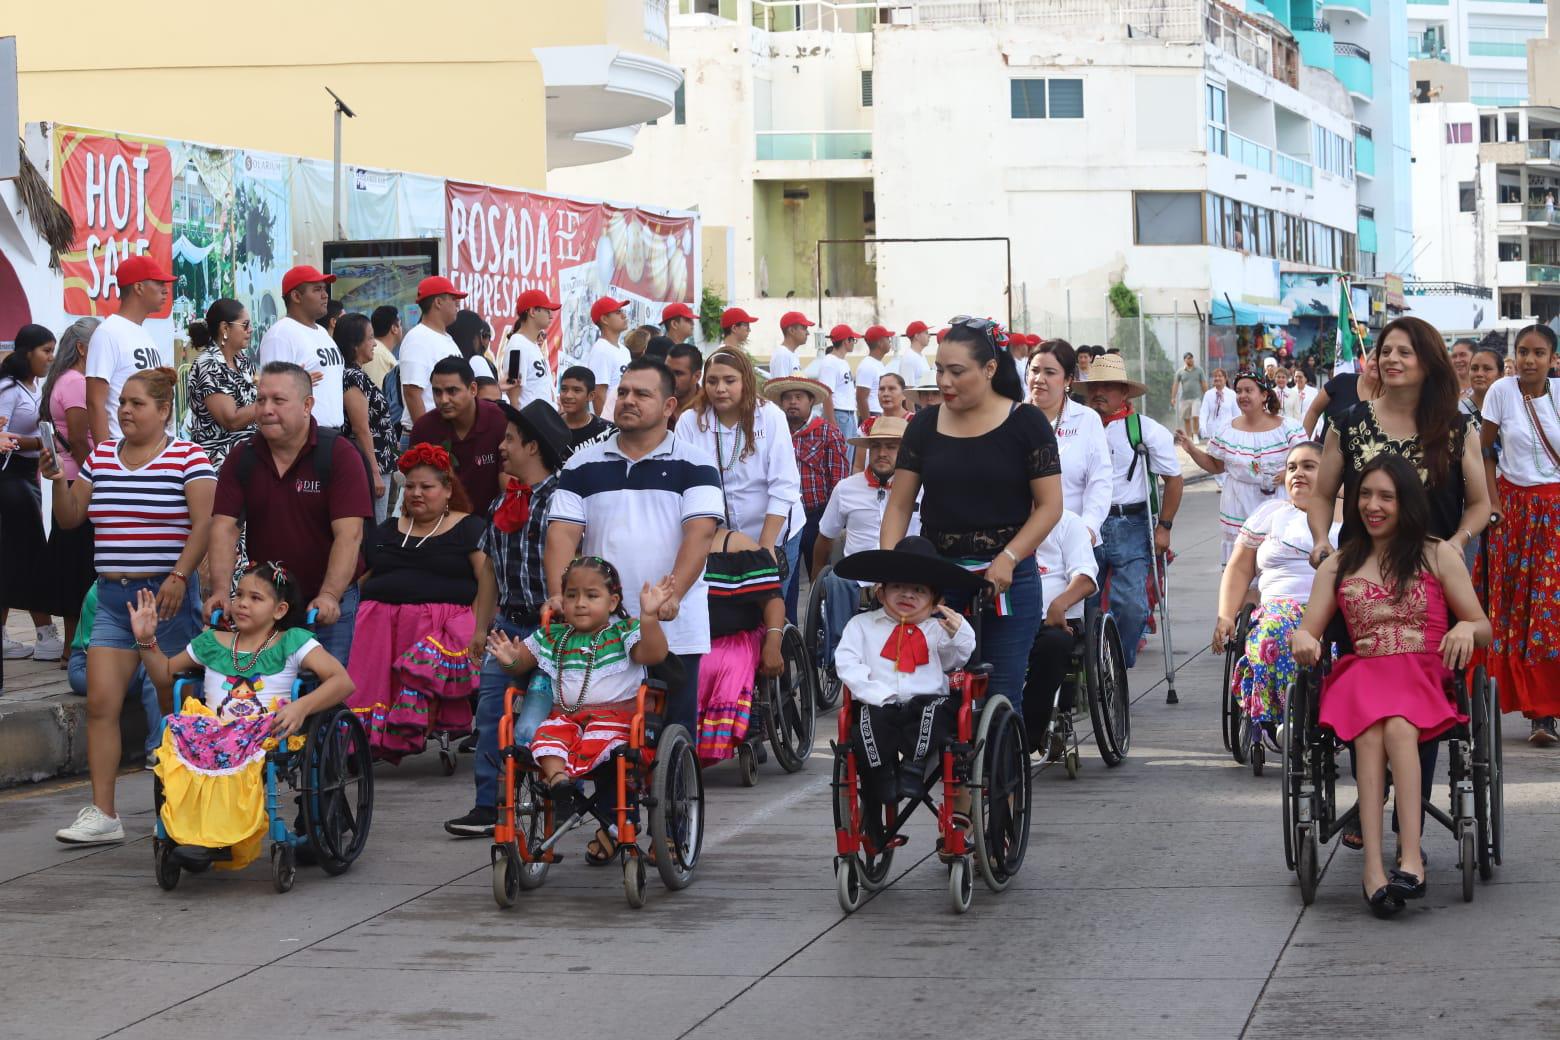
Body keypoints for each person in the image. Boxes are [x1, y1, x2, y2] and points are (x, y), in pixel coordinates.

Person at [1307, 316, 1489, 852]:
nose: (1391, 360)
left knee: (1423, 685)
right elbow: (1323, 493)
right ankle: (1373, 794)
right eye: (1385, 351)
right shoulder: (1349, 422)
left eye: (1404, 352)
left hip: (1433, 574)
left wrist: (1456, 541)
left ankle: (1404, 815)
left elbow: (1480, 503)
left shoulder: (1455, 427)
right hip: (1362, 573)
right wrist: (1322, 541)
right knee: (1367, 679)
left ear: (1426, 361)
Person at [1291, 455, 1490, 916]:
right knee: (1371, 729)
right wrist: (1302, 636)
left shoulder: (1436, 553)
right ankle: (1374, 870)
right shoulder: (1338, 565)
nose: (1372, 506)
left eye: (1386, 496)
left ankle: (1411, 857)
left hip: (1423, 670)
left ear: (1406, 502)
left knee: (1397, 727)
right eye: (1364, 495)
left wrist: (1465, 629)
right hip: (1365, 671)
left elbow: (1482, 624)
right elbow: (1309, 629)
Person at [46, 367, 212, 845]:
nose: (125, 411)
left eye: (137, 404)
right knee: (101, 704)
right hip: (113, 599)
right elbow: (72, 517)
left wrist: (180, 577)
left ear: (164, 411)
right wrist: (59, 479)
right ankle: (104, 813)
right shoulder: (100, 458)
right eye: (123, 403)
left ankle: (184, 807)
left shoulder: (188, 457)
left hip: (165, 596)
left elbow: (204, 525)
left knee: (172, 702)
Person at [881, 318, 1063, 710]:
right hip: (937, 583)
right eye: (940, 370)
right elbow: (899, 504)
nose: (944, 382)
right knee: (928, 692)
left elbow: (1050, 506)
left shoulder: (1027, 423)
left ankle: (1001, 768)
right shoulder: (924, 425)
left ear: (990, 369)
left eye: (956, 372)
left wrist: (1009, 558)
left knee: (1000, 694)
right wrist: (891, 571)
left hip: (1006, 582)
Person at [131, 563, 353, 870]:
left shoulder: (293, 641)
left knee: (226, 748)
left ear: (279, 609)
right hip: (213, 729)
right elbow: (165, 676)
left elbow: (342, 682)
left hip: (265, 729)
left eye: (256, 598)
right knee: (180, 734)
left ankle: (214, 840)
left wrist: (301, 706)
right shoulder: (211, 641)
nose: (242, 603)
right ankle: (192, 836)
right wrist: (146, 640)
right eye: (238, 595)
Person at [545, 358, 723, 737]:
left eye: (642, 394)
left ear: (669, 406)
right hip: (601, 631)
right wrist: (558, 596)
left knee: (674, 736)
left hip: (675, 626)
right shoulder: (581, 464)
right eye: (623, 392)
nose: (628, 400)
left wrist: (672, 594)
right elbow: (561, 534)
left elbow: (700, 535)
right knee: (605, 737)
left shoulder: (696, 463)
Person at [445, 400, 573, 837]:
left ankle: (554, 795)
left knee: (546, 717)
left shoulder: (564, 502)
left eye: (510, 440)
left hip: (553, 633)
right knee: (489, 714)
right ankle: (489, 805)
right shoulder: (505, 499)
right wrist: (481, 628)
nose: (501, 447)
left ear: (533, 446)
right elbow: (490, 573)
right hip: (508, 626)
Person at [207, 362, 374, 667]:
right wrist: (220, 590)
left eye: (278, 401)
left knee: (324, 693)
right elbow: (224, 528)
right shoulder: (242, 458)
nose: (266, 409)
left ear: (307, 405)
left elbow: (349, 535)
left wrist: (329, 595)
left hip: (324, 603)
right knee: (265, 694)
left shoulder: (338, 455)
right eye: (260, 400)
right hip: (267, 602)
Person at [488, 557, 673, 815]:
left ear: (612, 602)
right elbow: (521, 664)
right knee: (545, 737)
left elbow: (652, 655)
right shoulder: (551, 636)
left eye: (592, 596)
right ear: (562, 601)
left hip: (616, 721)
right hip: (565, 719)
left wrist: (649, 617)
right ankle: (558, 782)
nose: (580, 603)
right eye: (572, 595)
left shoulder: (622, 632)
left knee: (603, 742)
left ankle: (608, 826)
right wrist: (510, 660)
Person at [832, 536, 978, 841]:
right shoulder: (861, 625)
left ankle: (913, 770)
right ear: (881, 591)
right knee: (866, 722)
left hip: (926, 703)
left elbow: (957, 658)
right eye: (899, 587)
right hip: (879, 702)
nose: (908, 594)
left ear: (935, 599)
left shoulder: (937, 628)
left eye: (919, 590)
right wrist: (877, 695)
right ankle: (883, 777)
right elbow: (847, 664)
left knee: (938, 710)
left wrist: (959, 631)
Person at [345, 443, 485, 762]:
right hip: (378, 628)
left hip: (441, 629)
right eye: (410, 486)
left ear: (448, 490)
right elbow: (363, 577)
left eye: (426, 486)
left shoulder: (469, 528)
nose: (416, 493)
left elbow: (487, 583)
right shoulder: (387, 531)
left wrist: (472, 630)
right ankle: (366, 740)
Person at [1212, 443, 1335, 743]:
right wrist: (1226, 616)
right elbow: (1240, 568)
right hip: (1279, 606)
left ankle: (1331, 716)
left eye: (1309, 466)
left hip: (1332, 605)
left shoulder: (1347, 515)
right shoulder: (1271, 514)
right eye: (1292, 467)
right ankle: (1285, 720)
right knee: (1273, 635)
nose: (1298, 474)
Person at [1478, 324, 1560, 743]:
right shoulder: (1501, 393)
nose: (1530, 359)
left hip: (1556, 515)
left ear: (1553, 359)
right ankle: (1504, 698)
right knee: (1513, 607)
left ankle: (1544, 714)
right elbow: (1485, 451)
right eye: (1523, 351)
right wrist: (1491, 502)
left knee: (1548, 611)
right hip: (1512, 511)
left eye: (1539, 353)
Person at [675, 348, 804, 597]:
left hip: (775, 534)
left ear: (745, 380)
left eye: (729, 380)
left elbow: (784, 485)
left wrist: (765, 550)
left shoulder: (770, 417)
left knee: (771, 605)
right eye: (712, 381)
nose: (720, 388)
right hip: (717, 539)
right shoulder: (690, 421)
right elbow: (686, 486)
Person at [1085, 352, 1183, 668]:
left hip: (1130, 522)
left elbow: (1173, 479)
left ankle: (1116, 665)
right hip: (1084, 523)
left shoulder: (1144, 429)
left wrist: (1164, 526)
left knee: (1132, 607)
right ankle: (1086, 666)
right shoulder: (1075, 426)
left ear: (1124, 392)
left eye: (1109, 386)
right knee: (1080, 603)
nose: (1099, 392)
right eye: (1095, 386)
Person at [813, 416, 920, 659]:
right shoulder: (846, 488)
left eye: (892, 447)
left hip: (907, 573)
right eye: (876, 446)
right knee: (835, 580)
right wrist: (815, 581)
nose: (882, 453)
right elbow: (824, 538)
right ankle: (839, 654)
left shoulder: (922, 489)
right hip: (857, 575)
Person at [1177, 371, 1308, 562]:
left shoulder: (1288, 428)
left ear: (1264, 395)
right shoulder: (1227, 430)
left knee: (1276, 565)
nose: (1242, 396)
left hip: (1278, 504)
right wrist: (1191, 449)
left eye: (1248, 390)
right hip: (1238, 505)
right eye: (1238, 391)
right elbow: (1216, 466)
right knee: (1241, 569)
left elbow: (1308, 462)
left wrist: (1286, 474)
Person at [695, 528, 785, 764]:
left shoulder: (736, 544)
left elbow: (772, 599)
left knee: (723, 664)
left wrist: (773, 643)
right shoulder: (665, 545)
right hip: (691, 639)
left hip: (739, 635)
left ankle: (729, 734)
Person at [0, 325, 63, 662]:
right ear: (27, 353)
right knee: (32, 553)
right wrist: (39, 442)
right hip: (10, 479)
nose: (50, 358)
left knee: (12, 557)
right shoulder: (8, 388)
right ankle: (46, 633)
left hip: (27, 476)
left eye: (53, 351)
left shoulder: (31, 386)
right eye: (46, 351)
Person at [40, 318, 102, 655]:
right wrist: (101, 474)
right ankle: (74, 646)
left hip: (64, 477)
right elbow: (80, 439)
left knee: (70, 561)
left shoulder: (59, 380)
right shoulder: (78, 383)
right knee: (82, 564)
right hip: (79, 479)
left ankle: (69, 645)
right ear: (82, 348)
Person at [768, 375, 849, 617]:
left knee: (821, 577)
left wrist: (836, 518)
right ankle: (787, 632)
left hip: (817, 515)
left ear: (811, 401)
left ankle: (821, 628)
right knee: (786, 578)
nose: (792, 402)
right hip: (785, 516)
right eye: (787, 398)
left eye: (798, 397)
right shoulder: (775, 431)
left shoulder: (827, 433)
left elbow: (838, 479)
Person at [1020, 509, 1099, 753]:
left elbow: (1085, 576)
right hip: (1011, 620)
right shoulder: (998, 521)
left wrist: (1060, 604)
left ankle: (1026, 737)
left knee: (1053, 646)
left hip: (1056, 622)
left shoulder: (1067, 522)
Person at [1028, 339, 1110, 544]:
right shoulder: (1012, 418)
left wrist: (1088, 528)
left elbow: (1100, 480)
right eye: (1034, 370)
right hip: (1023, 545)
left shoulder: (1087, 419)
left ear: (1068, 380)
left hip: (1075, 541)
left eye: (1050, 372)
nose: (1039, 379)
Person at [85, 255, 174, 444]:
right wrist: (105, 457)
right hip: (122, 446)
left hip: (151, 446)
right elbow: (95, 402)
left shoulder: (143, 333)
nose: (165, 290)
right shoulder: (107, 333)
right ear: (139, 287)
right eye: (158, 283)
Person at [410, 357, 507, 514]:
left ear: (473, 389)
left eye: (452, 391)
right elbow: (416, 487)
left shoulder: (499, 421)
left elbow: (509, 483)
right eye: (437, 392)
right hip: (439, 522)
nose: (443, 400)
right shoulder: (424, 429)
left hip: (491, 521)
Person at [258, 265, 345, 432]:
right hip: (302, 434)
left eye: (324, 289)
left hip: (333, 432)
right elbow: (271, 392)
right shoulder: (280, 335)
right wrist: (298, 384)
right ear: (296, 296)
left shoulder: (322, 332)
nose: (325, 295)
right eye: (317, 289)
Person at [336, 312, 398, 522]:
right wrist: (374, 472)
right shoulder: (352, 377)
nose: (374, 344)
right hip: (373, 464)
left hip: (380, 463)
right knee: (376, 527)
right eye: (370, 338)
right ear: (355, 345)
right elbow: (360, 427)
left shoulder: (357, 374)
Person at [186, 299, 257, 470]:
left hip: (249, 457)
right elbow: (231, 420)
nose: (250, 330)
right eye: (245, 325)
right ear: (225, 328)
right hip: (220, 464)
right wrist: (272, 400)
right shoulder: (208, 364)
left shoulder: (243, 361)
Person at [398, 275, 466, 432]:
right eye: (453, 297)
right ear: (438, 302)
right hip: (430, 437)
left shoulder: (445, 337)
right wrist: (427, 438)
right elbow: (412, 392)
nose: (457, 303)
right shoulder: (418, 338)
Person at [500, 289, 559, 408]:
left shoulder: (532, 344)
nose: (551, 316)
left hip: (541, 419)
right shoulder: (517, 345)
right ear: (532, 311)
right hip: (528, 422)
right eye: (547, 310)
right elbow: (513, 394)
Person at [1304, 350, 1379, 443]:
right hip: (1323, 453)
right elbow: (1314, 411)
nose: (1377, 364)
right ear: (1366, 361)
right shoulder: (1341, 381)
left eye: (1381, 361)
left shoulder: (1391, 398)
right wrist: (1303, 446)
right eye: (1374, 359)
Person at [807, 325, 860, 447]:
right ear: (846, 341)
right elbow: (826, 394)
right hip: (839, 414)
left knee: (848, 458)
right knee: (842, 455)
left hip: (848, 414)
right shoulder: (830, 362)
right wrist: (832, 423)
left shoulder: (842, 362)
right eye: (853, 340)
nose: (853, 343)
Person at [586, 296, 632, 420]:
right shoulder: (601, 349)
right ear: (604, 319)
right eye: (618, 312)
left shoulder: (624, 350)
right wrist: (605, 427)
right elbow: (599, 394)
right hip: (610, 420)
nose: (623, 315)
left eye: (622, 311)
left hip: (624, 416)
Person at [558, 366, 614, 449]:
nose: (568, 395)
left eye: (577, 390)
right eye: (564, 389)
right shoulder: (549, 427)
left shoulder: (609, 431)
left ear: (591, 396)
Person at [855, 326, 893, 423]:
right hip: (872, 414)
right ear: (880, 343)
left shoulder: (877, 363)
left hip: (880, 413)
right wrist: (868, 423)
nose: (890, 341)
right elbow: (861, 398)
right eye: (887, 338)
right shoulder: (867, 365)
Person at [451, 309, 497, 382]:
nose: (482, 341)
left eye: (485, 336)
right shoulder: (476, 361)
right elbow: (490, 393)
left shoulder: (448, 360)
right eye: (480, 335)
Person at [1171, 353, 1208, 441]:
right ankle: (1189, 437)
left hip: (1196, 398)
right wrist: (1173, 397)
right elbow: (1175, 385)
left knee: (1196, 416)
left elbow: (1204, 384)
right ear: (1185, 360)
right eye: (1188, 358)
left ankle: (1195, 435)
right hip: (1184, 399)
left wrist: (1207, 395)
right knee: (1186, 418)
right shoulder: (1180, 372)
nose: (1190, 360)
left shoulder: (1199, 370)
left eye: (1191, 358)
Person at [365, 305, 402, 390]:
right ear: (394, 328)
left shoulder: (379, 352)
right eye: (400, 324)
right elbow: (378, 395)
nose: (401, 328)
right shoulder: (378, 354)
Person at [666, 343, 703, 424]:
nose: (670, 378)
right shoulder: (656, 403)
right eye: (667, 371)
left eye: (678, 373)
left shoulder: (709, 407)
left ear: (697, 376)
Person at [771, 311, 812, 380]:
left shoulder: (792, 354)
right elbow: (782, 387)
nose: (808, 333)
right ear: (792, 330)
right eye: (804, 328)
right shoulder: (782, 355)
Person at [893, 320, 933, 390]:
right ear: (916, 336)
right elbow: (908, 390)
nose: (929, 336)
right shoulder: (909, 358)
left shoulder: (921, 355)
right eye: (926, 333)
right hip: (916, 400)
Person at [1199, 367, 1233, 443]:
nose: (1217, 378)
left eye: (1220, 376)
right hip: (1213, 432)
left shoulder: (1232, 394)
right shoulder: (1208, 394)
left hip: (1228, 432)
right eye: (1215, 376)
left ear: (1225, 378)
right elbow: (1204, 412)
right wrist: (1202, 427)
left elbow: (1237, 414)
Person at [1467, 344, 1503, 415]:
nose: (1479, 374)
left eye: (1487, 369)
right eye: (1474, 368)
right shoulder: (1457, 412)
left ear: (1501, 375)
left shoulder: (1512, 410)